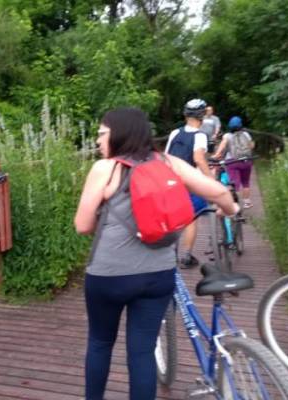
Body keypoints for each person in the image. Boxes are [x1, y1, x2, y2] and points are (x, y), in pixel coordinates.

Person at [74, 107, 238, 400]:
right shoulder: (167, 162)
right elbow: (219, 193)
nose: (97, 141)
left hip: (109, 277)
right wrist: (232, 211)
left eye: (102, 134)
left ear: (120, 133)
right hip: (157, 276)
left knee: (100, 343)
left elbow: (82, 225)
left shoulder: (106, 168)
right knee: (141, 352)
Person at [165, 99, 212, 268]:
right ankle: (186, 256)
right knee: (191, 218)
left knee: (173, 217)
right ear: (202, 116)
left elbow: (166, 156)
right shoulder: (200, 136)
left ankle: (169, 253)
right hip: (190, 182)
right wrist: (210, 180)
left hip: (171, 181)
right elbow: (199, 159)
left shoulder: (174, 133)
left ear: (185, 114)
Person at [214, 116, 255, 208]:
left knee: (234, 184)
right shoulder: (246, 134)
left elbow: (222, 146)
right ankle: (247, 202)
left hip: (232, 161)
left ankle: (234, 204)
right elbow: (251, 146)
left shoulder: (227, 136)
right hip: (246, 161)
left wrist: (216, 155)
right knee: (245, 182)